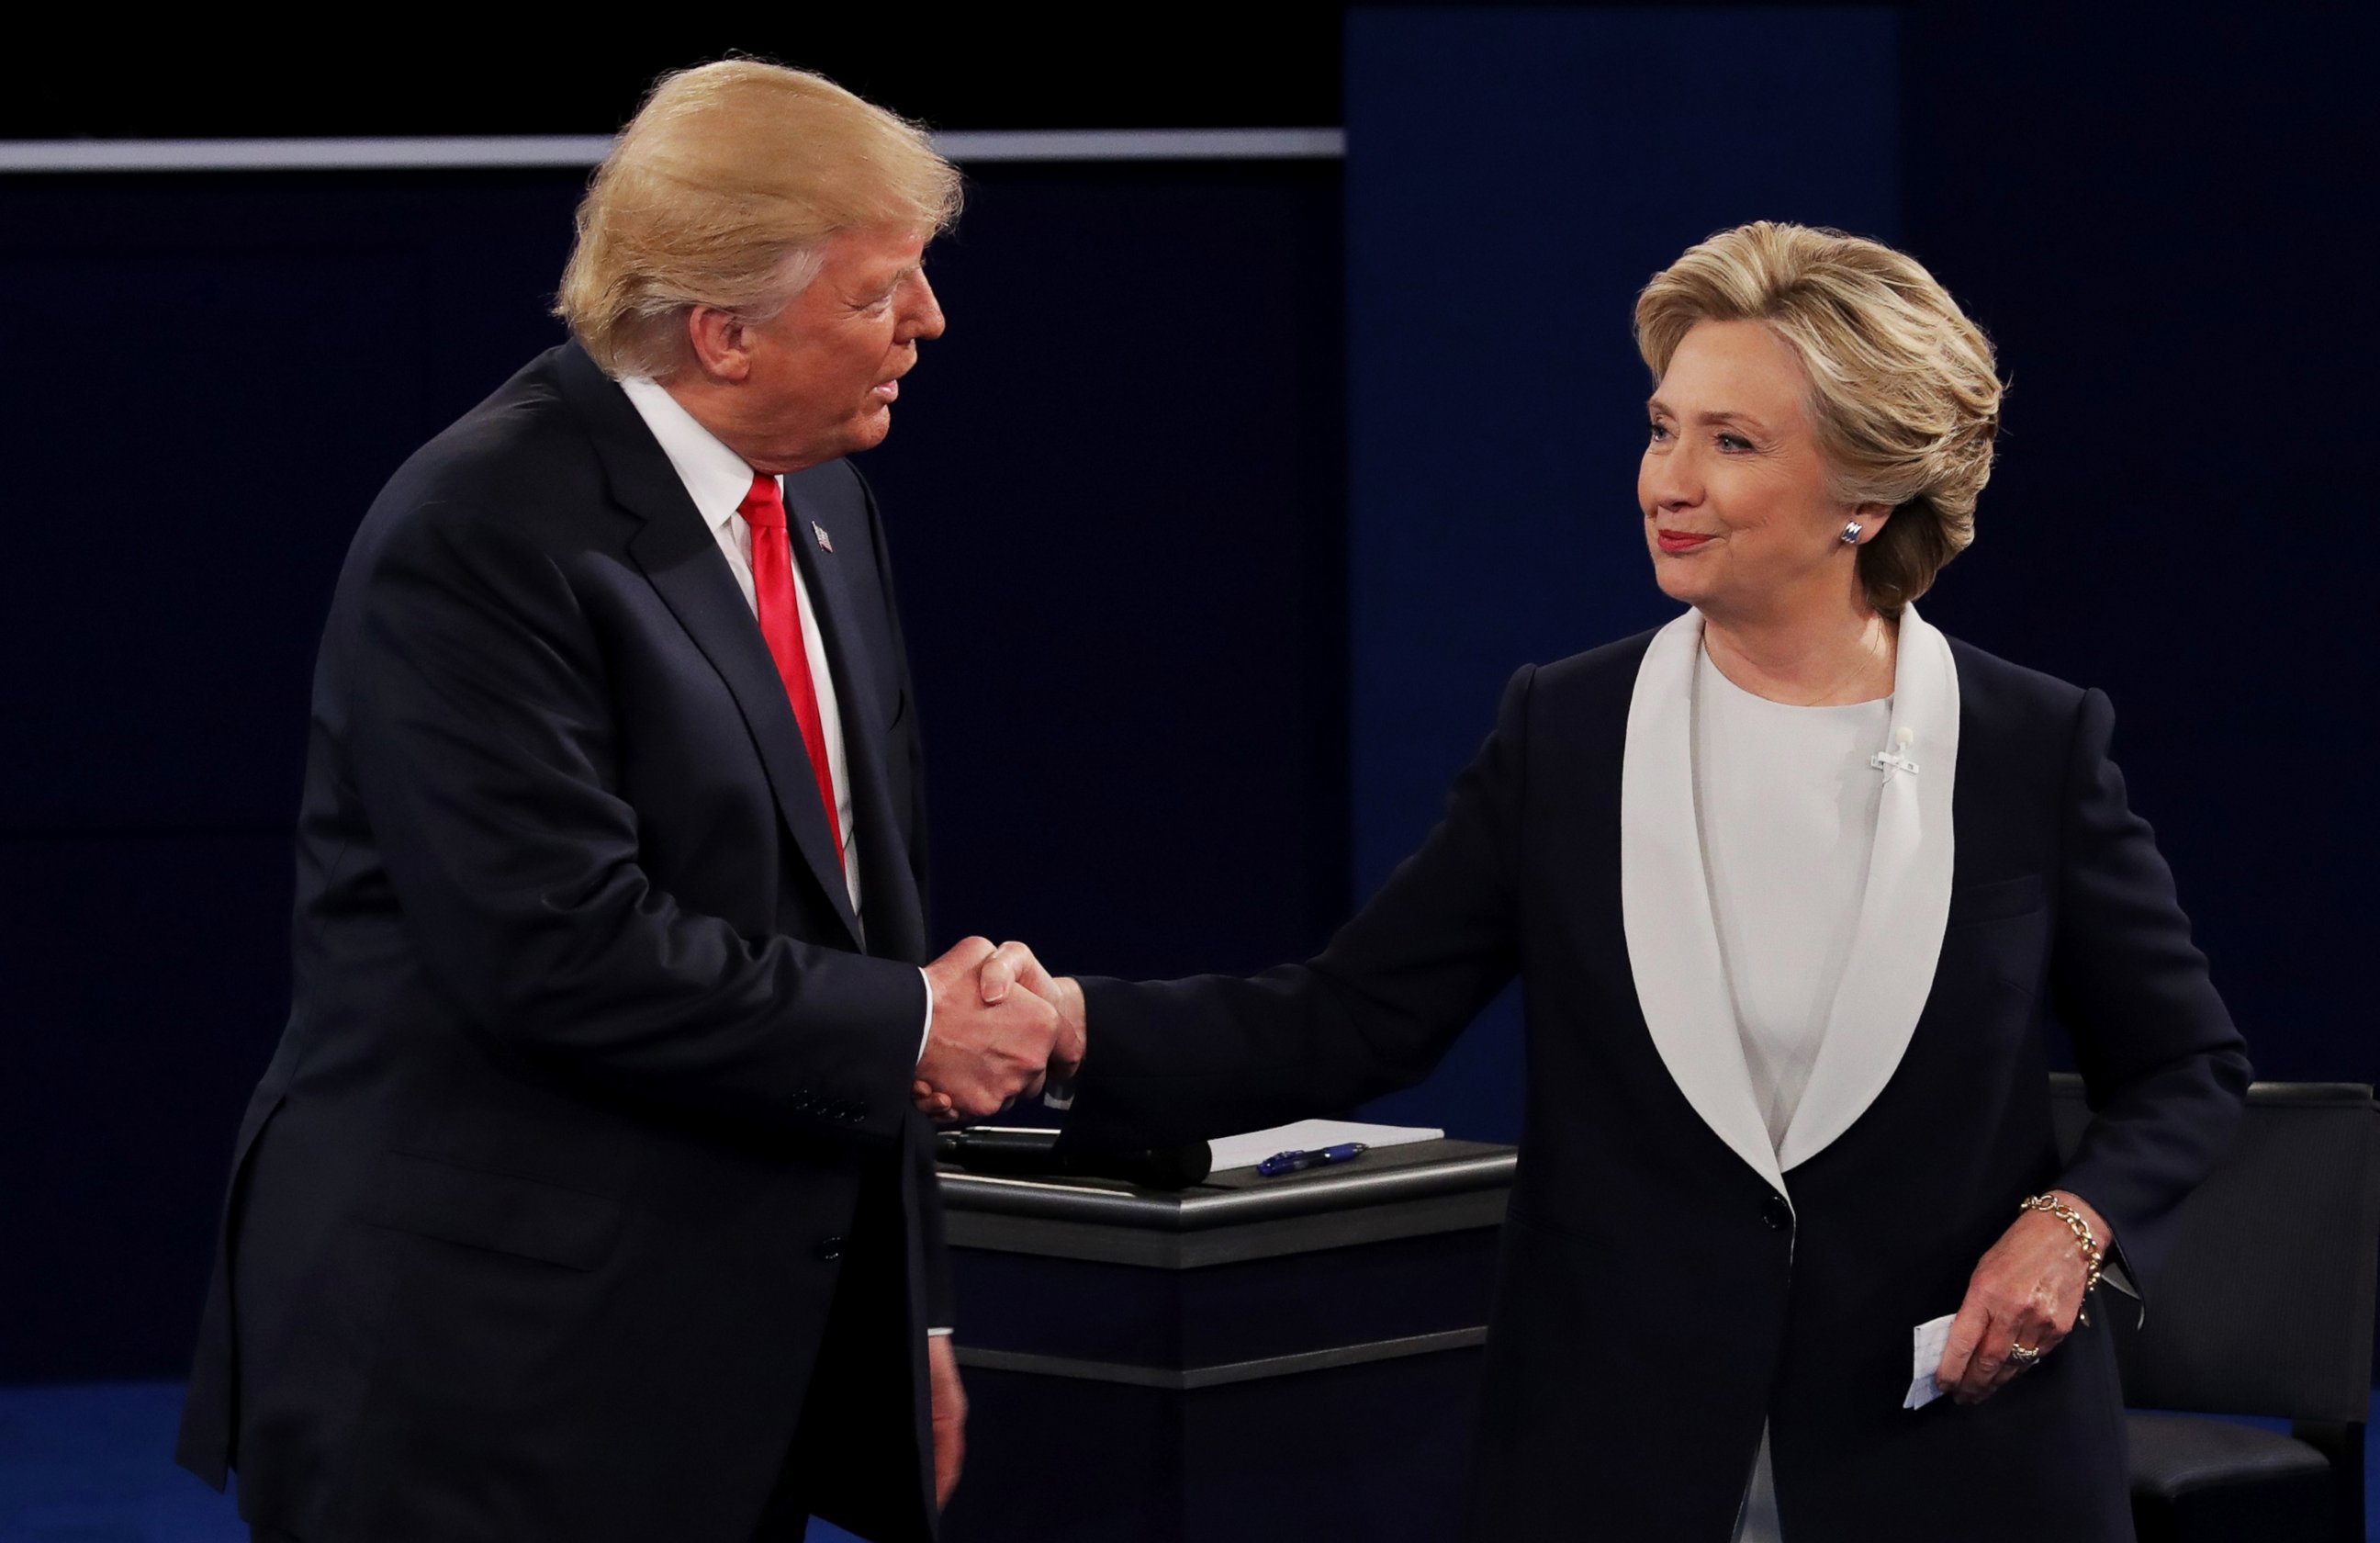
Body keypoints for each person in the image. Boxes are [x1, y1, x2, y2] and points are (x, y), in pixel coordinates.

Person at [941, 222, 2251, 1540]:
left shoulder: (2028, 744)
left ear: (1867, 488)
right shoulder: (1565, 731)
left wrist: (2072, 1229)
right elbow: (1350, 1016)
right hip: (1620, 1455)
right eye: (1662, 427)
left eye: (1732, 442)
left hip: (1952, 1462)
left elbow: (2186, 1064)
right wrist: (1075, 1029)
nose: (1665, 481)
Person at [175, 61, 1065, 1543]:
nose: (927, 326)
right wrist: (919, 1025)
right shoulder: (479, 533)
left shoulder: (820, 496)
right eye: (878, 295)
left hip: (729, 1340)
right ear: (722, 331)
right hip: (487, 1363)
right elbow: (556, 954)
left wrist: (913, 1310)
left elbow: (855, 897)